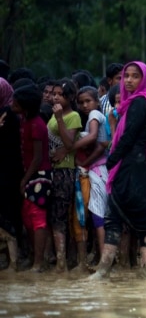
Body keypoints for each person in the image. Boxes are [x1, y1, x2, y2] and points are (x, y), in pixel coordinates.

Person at [90, 61, 146, 280]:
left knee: (115, 216)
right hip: (144, 169)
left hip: (134, 169)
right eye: (126, 76)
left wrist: (111, 161)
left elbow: (128, 137)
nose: (129, 80)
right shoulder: (142, 101)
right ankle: (145, 274)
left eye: (135, 76)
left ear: (144, 79)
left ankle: (103, 271)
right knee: (144, 222)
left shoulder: (139, 103)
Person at [74, 86, 110, 270]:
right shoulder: (91, 117)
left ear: (97, 101)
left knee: (98, 216)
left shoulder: (95, 114)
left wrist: (69, 149)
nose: (85, 105)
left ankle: (104, 260)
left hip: (99, 170)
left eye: (88, 101)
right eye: (81, 102)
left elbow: (97, 142)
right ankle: (102, 257)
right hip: (97, 170)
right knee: (98, 215)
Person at [11, 84, 46, 271]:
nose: (11, 105)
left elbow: (38, 157)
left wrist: (25, 179)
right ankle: (34, 257)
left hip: (39, 174)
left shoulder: (37, 125)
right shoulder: (24, 120)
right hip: (30, 173)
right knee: (27, 216)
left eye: (15, 103)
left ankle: (39, 262)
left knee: (37, 217)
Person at [48, 78, 81, 272]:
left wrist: (60, 118)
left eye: (60, 94)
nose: (55, 97)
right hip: (53, 169)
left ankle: (62, 264)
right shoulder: (53, 114)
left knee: (60, 216)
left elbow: (68, 144)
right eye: (54, 94)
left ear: (69, 97)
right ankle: (60, 260)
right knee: (55, 216)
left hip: (64, 171)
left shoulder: (73, 116)